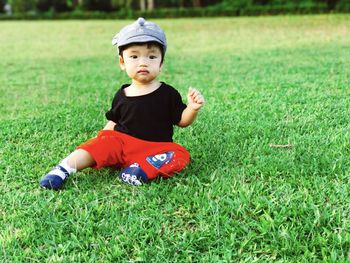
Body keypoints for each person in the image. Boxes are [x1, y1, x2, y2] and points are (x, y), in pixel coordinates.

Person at [40, 17, 205, 190]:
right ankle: (62, 170)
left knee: (180, 154)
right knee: (97, 145)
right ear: (122, 62)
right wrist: (101, 141)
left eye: (151, 56)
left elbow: (182, 121)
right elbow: (114, 121)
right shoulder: (122, 94)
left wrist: (192, 108)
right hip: (122, 144)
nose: (143, 62)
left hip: (155, 149)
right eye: (134, 56)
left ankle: (139, 170)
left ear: (161, 63)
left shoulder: (168, 93)